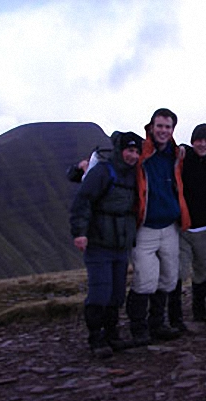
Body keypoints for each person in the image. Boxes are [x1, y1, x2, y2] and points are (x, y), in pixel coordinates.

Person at [69, 132, 143, 357]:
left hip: (120, 244)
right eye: (129, 150)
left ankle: (112, 335)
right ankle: (96, 339)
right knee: (100, 292)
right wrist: (80, 233)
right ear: (120, 150)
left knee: (117, 293)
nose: (133, 155)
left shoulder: (134, 174)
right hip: (99, 242)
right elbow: (83, 201)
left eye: (136, 151)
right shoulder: (102, 171)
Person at [126, 108, 191, 345]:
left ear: (173, 129)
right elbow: (116, 150)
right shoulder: (141, 152)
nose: (163, 130)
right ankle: (138, 328)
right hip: (145, 227)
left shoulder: (175, 154)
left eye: (168, 127)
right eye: (159, 126)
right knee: (145, 278)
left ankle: (157, 324)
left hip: (170, 226)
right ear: (151, 127)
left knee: (169, 278)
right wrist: (85, 166)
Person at [168, 123, 206, 331]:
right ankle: (175, 318)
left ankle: (200, 311)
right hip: (181, 228)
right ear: (192, 141)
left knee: (202, 270)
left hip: (204, 229)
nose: (203, 144)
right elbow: (172, 151)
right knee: (179, 272)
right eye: (199, 140)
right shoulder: (184, 156)